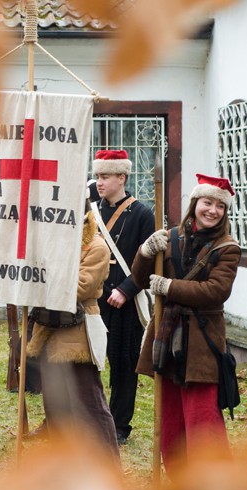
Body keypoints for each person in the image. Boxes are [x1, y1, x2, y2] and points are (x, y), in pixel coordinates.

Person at [132, 173, 241, 478]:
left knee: (202, 419)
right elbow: (141, 280)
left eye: (220, 206)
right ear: (195, 203)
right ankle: (180, 483)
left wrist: (170, 287)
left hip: (203, 343)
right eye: (208, 203)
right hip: (167, 338)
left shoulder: (227, 248)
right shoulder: (171, 238)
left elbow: (215, 292)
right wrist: (145, 252)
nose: (213, 211)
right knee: (171, 417)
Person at [26, 202, 120, 458]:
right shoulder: (49, 241)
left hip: (78, 332)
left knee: (89, 405)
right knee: (56, 407)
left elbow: (80, 288)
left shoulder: (97, 246)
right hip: (47, 330)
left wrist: (41, 274)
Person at [90, 149, 155, 445]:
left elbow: (149, 259)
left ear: (121, 177)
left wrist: (127, 290)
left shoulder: (142, 214)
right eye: (98, 176)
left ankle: (119, 425)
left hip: (124, 301)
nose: (99, 182)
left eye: (105, 176)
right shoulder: (92, 212)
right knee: (89, 362)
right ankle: (93, 419)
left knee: (124, 365)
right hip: (94, 297)